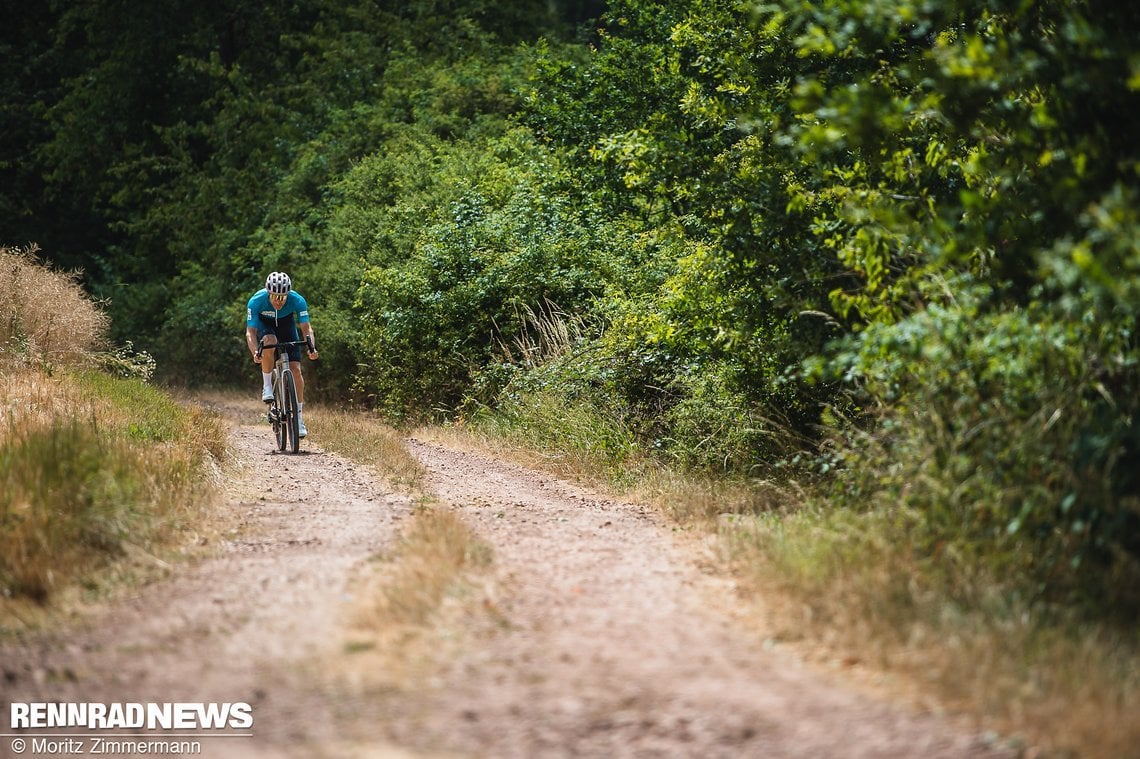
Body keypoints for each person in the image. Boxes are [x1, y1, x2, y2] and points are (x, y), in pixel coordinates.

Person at [245, 271, 319, 437]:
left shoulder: (298, 300)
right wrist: (255, 351)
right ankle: (267, 386)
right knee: (269, 341)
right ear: (268, 293)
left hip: (287, 326)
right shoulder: (256, 301)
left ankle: (299, 419)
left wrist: (311, 347)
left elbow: (307, 328)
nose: (278, 301)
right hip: (266, 326)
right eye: (275, 297)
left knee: (296, 370)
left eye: (283, 298)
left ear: (288, 295)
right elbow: (250, 332)